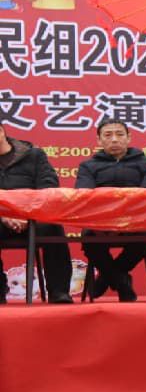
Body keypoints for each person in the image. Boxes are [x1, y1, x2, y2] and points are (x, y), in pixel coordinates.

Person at [75, 118, 146, 302]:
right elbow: (85, 196)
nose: (114, 139)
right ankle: (121, 282)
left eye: (120, 134)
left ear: (129, 138)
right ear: (99, 140)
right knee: (90, 242)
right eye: (108, 135)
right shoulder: (88, 166)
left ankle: (107, 278)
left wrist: (126, 218)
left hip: (137, 222)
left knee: (145, 241)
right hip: (99, 223)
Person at [0, 121, 73, 304]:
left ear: (1, 131)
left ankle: (59, 291)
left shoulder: (33, 155)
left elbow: (48, 187)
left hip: (34, 217)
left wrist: (28, 215)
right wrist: (3, 217)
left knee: (53, 228)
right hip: (1, 220)